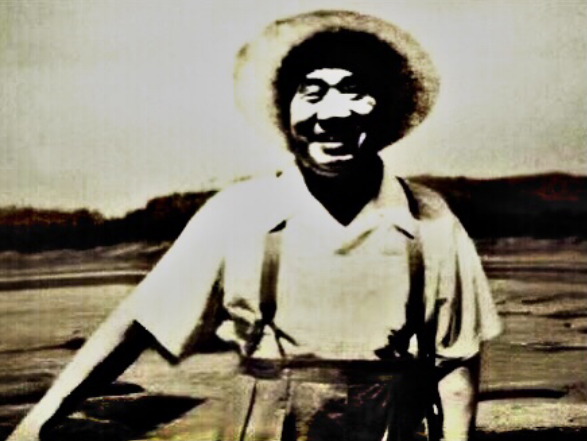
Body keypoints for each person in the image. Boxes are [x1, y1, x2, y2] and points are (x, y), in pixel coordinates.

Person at [8, 10, 501, 441]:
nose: (332, 114)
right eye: (312, 92)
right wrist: (36, 425)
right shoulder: (237, 213)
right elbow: (136, 325)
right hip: (264, 424)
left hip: (390, 425)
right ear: (286, 113)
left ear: (385, 109)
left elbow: (456, 360)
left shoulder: (430, 217)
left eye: (355, 91)